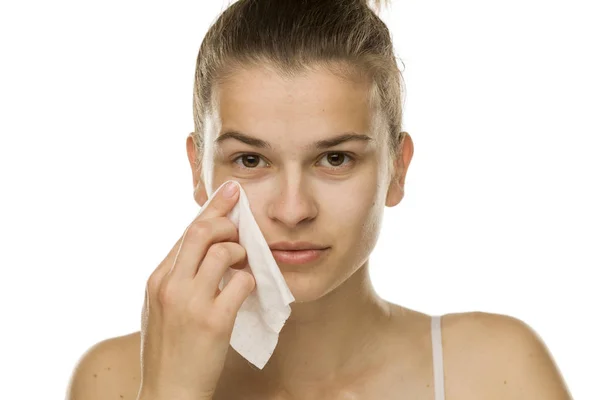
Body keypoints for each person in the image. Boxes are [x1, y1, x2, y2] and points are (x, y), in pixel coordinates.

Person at [66, 0, 573, 399]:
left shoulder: (495, 372)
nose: (292, 210)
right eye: (250, 160)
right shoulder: (111, 380)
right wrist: (169, 393)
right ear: (198, 170)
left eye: (334, 159)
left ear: (398, 169)